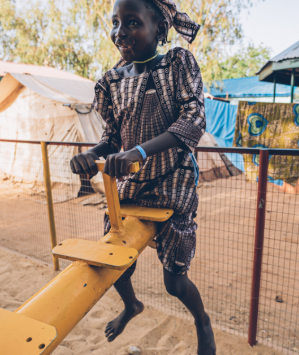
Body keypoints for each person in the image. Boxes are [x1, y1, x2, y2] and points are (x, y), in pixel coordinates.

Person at [70, 0, 216, 353]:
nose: (120, 32)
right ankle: (131, 306)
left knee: (175, 283)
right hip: (129, 189)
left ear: (159, 28)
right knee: (116, 265)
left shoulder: (177, 63)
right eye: (116, 23)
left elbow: (193, 120)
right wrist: (92, 154)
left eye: (132, 22)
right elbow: (112, 138)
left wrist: (139, 152)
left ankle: (202, 321)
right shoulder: (112, 81)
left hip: (172, 184)